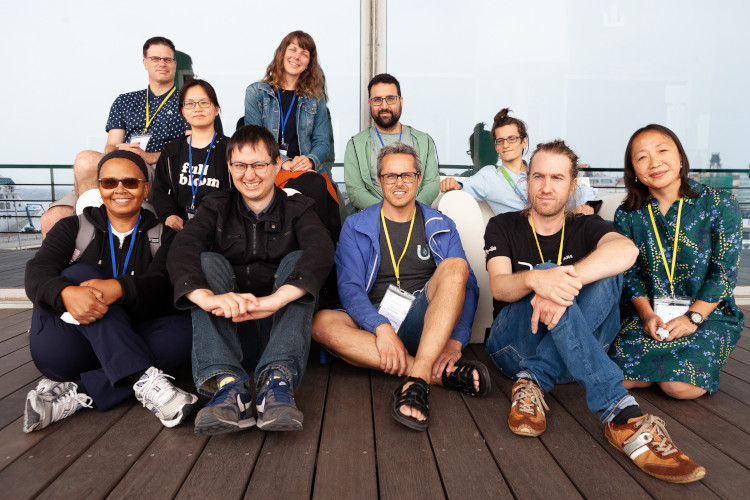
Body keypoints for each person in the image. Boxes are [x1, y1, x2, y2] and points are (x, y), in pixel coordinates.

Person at [484, 139, 705, 483]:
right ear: (526, 181)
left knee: (606, 273)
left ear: (572, 186)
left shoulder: (587, 226)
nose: (546, 187)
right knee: (544, 270)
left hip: (575, 355)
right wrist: (539, 279)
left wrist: (561, 285)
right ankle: (619, 411)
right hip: (514, 346)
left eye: (557, 178)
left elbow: (626, 251)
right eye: (538, 176)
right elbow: (500, 287)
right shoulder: (503, 225)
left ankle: (533, 381)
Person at [167, 125, 334, 435]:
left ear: (276, 164)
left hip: (281, 334)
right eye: (240, 165)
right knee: (206, 261)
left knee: (298, 260)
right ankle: (230, 388)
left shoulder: (299, 207)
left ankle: (277, 383)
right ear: (229, 167)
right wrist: (207, 297)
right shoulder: (215, 206)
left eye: (259, 164)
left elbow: (321, 250)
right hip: (230, 331)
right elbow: (182, 250)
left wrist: (276, 300)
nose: (250, 174)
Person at [312, 143, 489, 432]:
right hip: (372, 326)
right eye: (390, 176)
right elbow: (350, 288)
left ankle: (416, 382)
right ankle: (435, 375)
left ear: (419, 179)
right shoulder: (356, 226)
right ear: (379, 180)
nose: (399, 183)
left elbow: (466, 287)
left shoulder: (441, 224)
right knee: (321, 323)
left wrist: (456, 342)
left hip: (424, 322)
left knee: (457, 267)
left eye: (407, 175)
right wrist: (380, 327)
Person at [23, 150, 196, 433]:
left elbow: (165, 284)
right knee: (79, 274)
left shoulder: (165, 237)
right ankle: (144, 378)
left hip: (127, 340)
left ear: (145, 188)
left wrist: (119, 288)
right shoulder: (72, 228)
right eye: (109, 182)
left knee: (188, 331)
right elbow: (37, 272)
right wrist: (66, 294)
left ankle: (77, 394)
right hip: (65, 349)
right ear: (99, 188)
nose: (120, 190)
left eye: (130, 182)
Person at [610, 124, 743, 399]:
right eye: (642, 157)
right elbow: (630, 276)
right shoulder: (628, 214)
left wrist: (692, 317)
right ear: (633, 170)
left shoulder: (720, 204)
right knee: (618, 379)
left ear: (680, 157)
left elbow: (724, 274)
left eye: (662, 151)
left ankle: (663, 373)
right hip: (650, 315)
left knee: (678, 388)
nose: (654, 162)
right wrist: (647, 316)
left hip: (707, 314)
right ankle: (657, 371)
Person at [42, 36, 188, 236]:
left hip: (159, 169)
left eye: (167, 59)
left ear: (174, 65)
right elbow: (111, 145)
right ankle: (90, 226)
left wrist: (147, 156)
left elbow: (191, 148)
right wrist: (122, 152)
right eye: (155, 58)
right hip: (122, 161)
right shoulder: (125, 101)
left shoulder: (187, 102)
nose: (162, 63)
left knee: (100, 166)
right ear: (145, 63)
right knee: (54, 214)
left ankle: (93, 237)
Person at [244, 30, 340, 240]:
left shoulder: (315, 98)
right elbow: (254, 142)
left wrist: (310, 160)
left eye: (304, 54)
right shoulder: (256, 93)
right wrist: (283, 161)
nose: (297, 56)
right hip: (271, 168)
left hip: (305, 168)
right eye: (293, 49)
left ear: (309, 63)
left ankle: (320, 256)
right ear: (282, 53)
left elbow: (322, 142)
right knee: (315, 187)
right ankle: (318, 251)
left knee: (330, 203)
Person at [440, 108, 595, 215]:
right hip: (519, 237)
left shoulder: (539, 172)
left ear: (524, 142)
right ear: (496, 147)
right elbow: (466, 187)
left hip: (552, 230)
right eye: (500, 140)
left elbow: (582, 189)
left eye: (511, 139)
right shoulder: (490, 176)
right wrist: (454, 185)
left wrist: (585, 205)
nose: (505, 145)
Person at [344, 73, 440, 210]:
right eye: (377, 100)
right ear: (370, 103)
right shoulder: (355, 145)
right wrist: (388, 213)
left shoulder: (424, 141)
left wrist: (409, 211)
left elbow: (431, 184)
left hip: (416, 217)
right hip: (374, 220)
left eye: (390, 98)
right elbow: (356, 191)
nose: (384, 106)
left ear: (400, 101)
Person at [153, 79, 230, 231]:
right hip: (180, 229)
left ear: (216, 109)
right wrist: (169, 215)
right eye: (189, 104)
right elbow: (160, 191)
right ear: (182, 111)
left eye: (204, 102)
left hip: (221, 229)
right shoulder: (171, 151)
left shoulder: (232, 149)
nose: (197, 108)